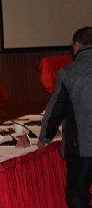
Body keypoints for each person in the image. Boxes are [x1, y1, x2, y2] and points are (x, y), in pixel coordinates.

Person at [38, 26, 92, 208]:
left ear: (77, 44)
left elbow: (56, 109)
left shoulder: (69, 72)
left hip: (84, 146)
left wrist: (44, 137)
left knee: (77, 196)